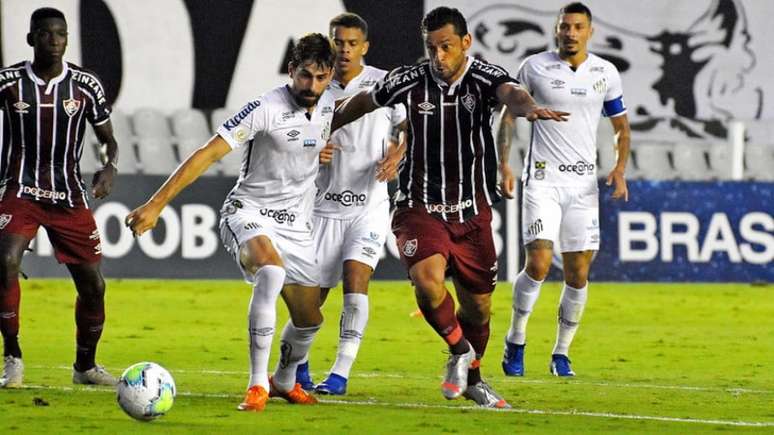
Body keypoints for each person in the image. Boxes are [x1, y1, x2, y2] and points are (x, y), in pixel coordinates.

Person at [331, 7, 568, 408]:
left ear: (465, 43)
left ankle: (473, 377)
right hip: (419, 205)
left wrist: (528, 109)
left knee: (478, 306)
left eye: (446, 47)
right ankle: (459, 353)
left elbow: (511, 94)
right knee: (427, 280)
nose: (438, 57)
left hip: (472, 210)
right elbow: (363, 103)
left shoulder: (485, 77)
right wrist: (324, 125)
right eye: (431, 48)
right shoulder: (408, 80)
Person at [125, 33, 336, 412]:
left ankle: (284, 380)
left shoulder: (330, 104)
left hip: (296, 224)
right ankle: (257, 385)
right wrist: (156, 205)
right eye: (305, 76)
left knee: (309, 321)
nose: (312, 86)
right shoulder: (264, 107)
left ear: (330, 76)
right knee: (270, 272)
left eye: (321, 78)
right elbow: (207, 154)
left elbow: (365, 106)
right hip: (249, 211)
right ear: (292, 70)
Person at [501, 2, 631, 377]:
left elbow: (621, 126)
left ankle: (561, 353)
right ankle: (517, 338)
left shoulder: (605, 72)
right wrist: (503, 162)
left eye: (577, 27)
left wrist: (620, 168)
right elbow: (508, 115)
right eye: (564, 26)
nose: (570, 32)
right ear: (556, 30)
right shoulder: (533, 67)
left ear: (590, 31)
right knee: (538, 264)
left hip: (583, 186)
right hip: (542, 180)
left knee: (578, 274)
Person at [0, 8, 119, 388]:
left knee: (94, 286)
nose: (55, 41)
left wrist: (109, 166)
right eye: (47, 34)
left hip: (68, 195)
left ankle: (85, 366)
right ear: (31, 38)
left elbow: (108, 140)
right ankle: (13, 357)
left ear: (68, 39)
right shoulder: (9, 82)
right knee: (4, 260)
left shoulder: (85, 85)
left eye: (61, 35)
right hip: (21, 189)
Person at [294, 13, 407, 396]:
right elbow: (292, 137)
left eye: (351, 43)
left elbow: (406, 128)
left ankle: (341, 372)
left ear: (365, 47)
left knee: (356, 281)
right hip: (321, 207)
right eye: (338, 42)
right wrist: (311, 149)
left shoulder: (383, 83)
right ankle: (299, 362)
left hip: (369, 204)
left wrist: (397, 154)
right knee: (310, 300)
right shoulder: (313, 86)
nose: (344, 49)